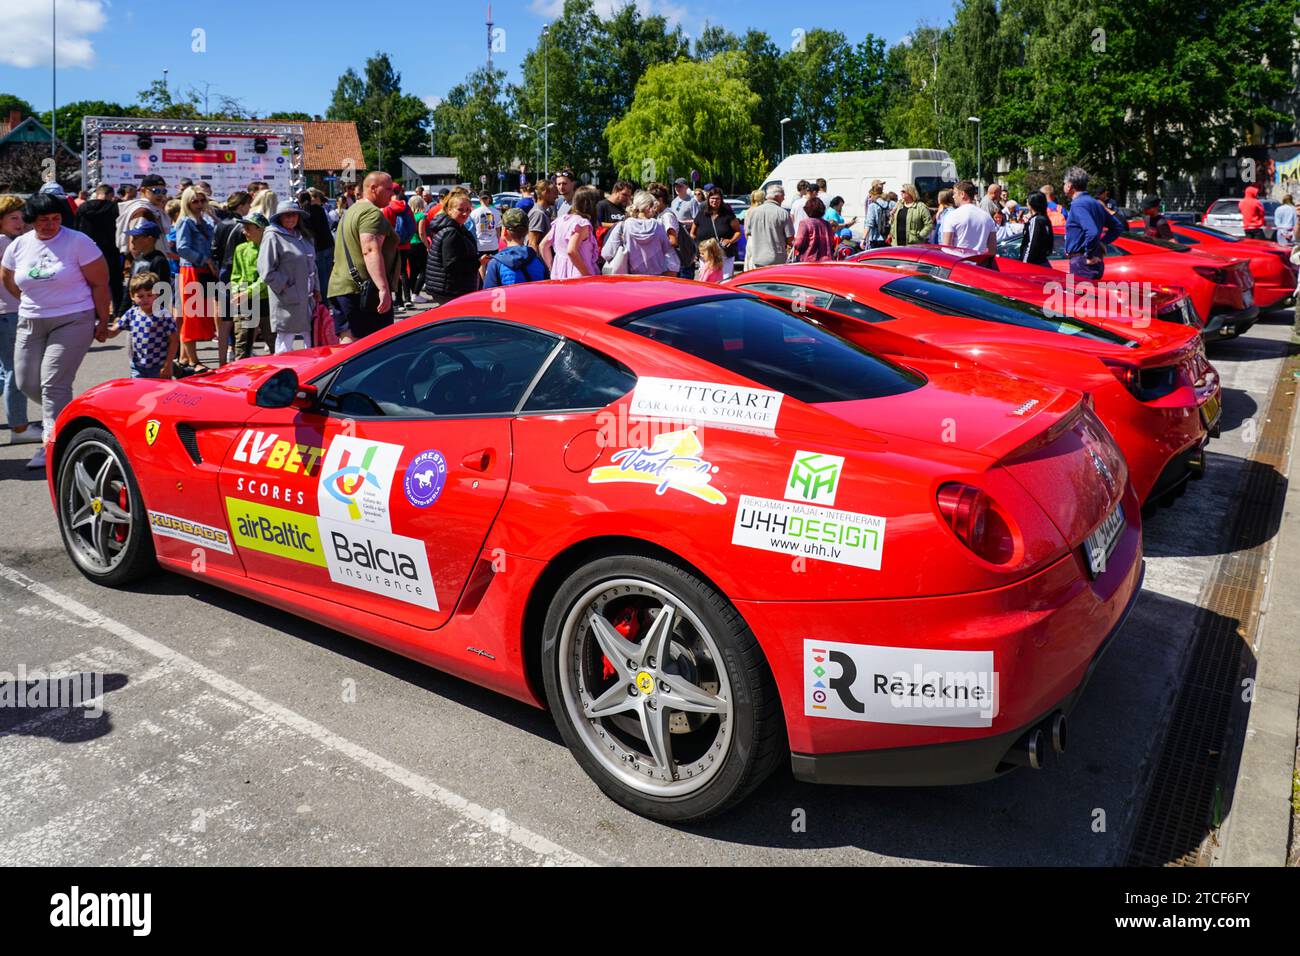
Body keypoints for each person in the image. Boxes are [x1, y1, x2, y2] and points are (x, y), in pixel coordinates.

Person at [0, 192, 110, 469]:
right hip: (31, 319)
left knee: (52, 383)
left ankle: (52, 446)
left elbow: (100, 283)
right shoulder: (19, 245)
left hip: (73, 318)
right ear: (31, 221)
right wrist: (31, 300)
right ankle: (70, 416)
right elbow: (9, 279)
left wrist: (103, 321)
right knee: (25, 382)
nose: (50, 224)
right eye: (43, 220)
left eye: (56, 218)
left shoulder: (78, 241)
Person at [327, 172, 398, 343]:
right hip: (362, 291)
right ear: (373, 188)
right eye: (388, 189)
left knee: (349, 342)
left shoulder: (351, 211)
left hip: (341, 286)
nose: (392, 193)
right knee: (373, 347)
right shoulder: (371, 213)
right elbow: (370, 249)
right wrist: (383, 288)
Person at [0, 194, 40, 447]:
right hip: (9, 312)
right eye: (13, 218)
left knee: (6, 371)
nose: (20, 222)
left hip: (6, 311)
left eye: (21, 217)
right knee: (15, 370)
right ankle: (19, 426)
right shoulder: (6, 243)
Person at [259, 201, 319, 353]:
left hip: (308, 299)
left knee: (311, 340)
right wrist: (287, 287)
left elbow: (313, 265)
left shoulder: (303, 236)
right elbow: (266, 270)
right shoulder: (272, 236)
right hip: (287, 300)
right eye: (287, 215)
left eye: (294, 214)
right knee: (285, 343)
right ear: (279, 217)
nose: (291, 218)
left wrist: (317, 288)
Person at [174, 186, 218, 371]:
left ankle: (185, 358)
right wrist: (204, 259)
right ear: (187, 202)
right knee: (191, 317)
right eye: (195, 201)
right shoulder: (186, 221)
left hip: (203, 271)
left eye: (202, 200)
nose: (199, 204)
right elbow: (182, 248)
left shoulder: (204, 221)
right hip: (191, 271)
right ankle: (193, 360)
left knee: (199, 315)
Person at [107, 272, 177, 378]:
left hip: (159, 367)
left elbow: (174, 340)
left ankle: (180, 371)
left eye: (149, 295)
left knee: (159, 393)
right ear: (132, 296)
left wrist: (168, 365)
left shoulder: (163, 315)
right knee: (139, 393)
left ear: (157, 294)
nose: (145, 299)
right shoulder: (131, 313)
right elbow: (114, 331)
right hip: (137, 367)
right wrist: (98, 330)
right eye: (140, 296)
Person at [1063, 166, 1124, 281]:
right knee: (1091, 298)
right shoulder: (1095, 203)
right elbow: (1117, 227)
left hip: (1083, 262)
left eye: (1064, 183)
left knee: (1081, 298)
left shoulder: (1078, 205)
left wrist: (1089, 254)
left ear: (1069, 186)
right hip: (1091, 261)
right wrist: (1102, 243)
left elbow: (1092, 232)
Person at [422, 190, 480, 305]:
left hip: (449, 287)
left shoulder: (456, 227)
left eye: (468, 210)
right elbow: (451, 265)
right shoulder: (451, 232)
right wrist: (477, 263)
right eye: (460, 210)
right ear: (449, 210)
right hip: (450, 290)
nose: (465, 213)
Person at [600, 190, 677, 276]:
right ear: (648, 207)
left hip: (631, 278)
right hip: (656, 278)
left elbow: (607, 254)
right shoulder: (657, 225)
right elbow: (667, 248)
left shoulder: (623, 226)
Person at [74, 185, 123, 314]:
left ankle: (90, 310)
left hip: (87, 249)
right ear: (110, 195)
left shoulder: (83, 207)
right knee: (115, 282)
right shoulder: (114, 208)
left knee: (88, 282)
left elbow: (76, 228)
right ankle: (117, 310)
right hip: (110, 249)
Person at [230, 213, 272, 359]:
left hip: (266, 299)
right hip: (245, 300)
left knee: (273, 340)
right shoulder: (241, 249)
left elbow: (266, 277)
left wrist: (247, 292)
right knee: (242, 342)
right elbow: (235, 274)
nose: (244, 231)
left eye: (248, 228)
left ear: (261, 229)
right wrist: (235, 291)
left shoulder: (270, 249)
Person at [540, 185, 601, 279]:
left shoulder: (560, 220)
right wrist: (586, 275)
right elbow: (571, 250)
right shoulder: (582, 224)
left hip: (559, 274)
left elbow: (543, 245)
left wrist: (552, 267)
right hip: (578, 275)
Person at [483, 209, 547, 287]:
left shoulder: (495, 263)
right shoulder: (537, 260)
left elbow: (489, 294)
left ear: (505, 231)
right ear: (527, 232)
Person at [116, 174, 172, 258]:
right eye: (155, 191)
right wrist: (144, 266)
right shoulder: (142, 212)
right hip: (146, 266)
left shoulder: (154, 210)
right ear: (143, 191)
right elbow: (134, 247)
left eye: (163, 191)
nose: (160, 195)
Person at [690, 187, 741, 278]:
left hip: (724, 256)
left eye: (717, 198)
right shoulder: (701, 214)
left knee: (725, 281)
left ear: (721, 200)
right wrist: (696, 248)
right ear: (708, 199)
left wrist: (730, 240)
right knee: (707, 281)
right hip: (705, 257)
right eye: (712, 198)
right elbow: (692, 233)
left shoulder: (728, 215)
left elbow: (738, 232)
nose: (715, 201)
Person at [941, 180, 997, 256]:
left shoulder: (952, 216)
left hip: (959, 264)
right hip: (979, 264)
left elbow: (946, 248)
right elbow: (992, 251)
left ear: (962, 194)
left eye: (954, 193)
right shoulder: (987, 217)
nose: (953, 196)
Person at [745, 184, 794, 268]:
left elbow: (749, 233)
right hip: (777, 259)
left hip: (757, 258)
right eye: (783, 196)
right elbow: (790, 238)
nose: (784, 198)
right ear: (777, 196)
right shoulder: (783, 213)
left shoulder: (754, 212)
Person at [124, 221, 172, 297]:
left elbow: (163, 289)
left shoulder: (159, 261)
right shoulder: (136, 260)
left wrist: (160, 308)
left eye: (136, 238)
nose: (132, 241)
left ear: (149, 239)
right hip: (137, 305)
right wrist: (123, 308)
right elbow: (129, 287)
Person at [669, 178, 700, 279]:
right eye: (676, 186)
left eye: (680, 186)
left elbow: (697, 220)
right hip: (676, 237)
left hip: (687, 237)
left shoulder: (692, 202)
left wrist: (683, 222)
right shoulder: (674, 201)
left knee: (687, 264)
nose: (677, 188)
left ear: (686, 187)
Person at [791, 196, 837, 262]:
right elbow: (832, 242)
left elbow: (798, 244)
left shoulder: (805, 223)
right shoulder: (827, 224)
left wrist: (791, 242)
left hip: (809, 260)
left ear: (807, 209)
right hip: (827, 261)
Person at [1021, 192, 1054, 266]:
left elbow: (1032, 244)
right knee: (1071, 277)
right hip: (1043, 261)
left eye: (1027, 201)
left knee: (1070, 277)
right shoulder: (1045, 219)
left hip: (1034, 264)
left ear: (1032, 203)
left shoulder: (1036, 220)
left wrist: (1024, 265)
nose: (1026, 204)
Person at [406, 196, 429, 295]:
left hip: (408, 244)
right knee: (424, 270)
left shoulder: (408, 215)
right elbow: (421, 233)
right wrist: (427, 245)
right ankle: (416, 293)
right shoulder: (421, 216)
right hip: (419, 245)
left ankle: (413, 293)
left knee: (413, 271)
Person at [528, 182, 557, 257]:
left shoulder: (544, 212)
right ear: (545, 193)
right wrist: (538, 266)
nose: (557, 196)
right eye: (554, 193)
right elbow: (532, 243)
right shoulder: (538, 213)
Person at [865, 182, 891, 248]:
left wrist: (863, 239)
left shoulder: (872, 206)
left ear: (873, 195)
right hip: (888, 238)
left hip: (876, 238)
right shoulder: (890, 203)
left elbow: (869, 224)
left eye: (870, 196)